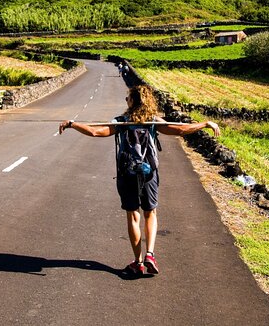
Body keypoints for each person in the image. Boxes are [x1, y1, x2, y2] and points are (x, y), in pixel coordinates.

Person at [59, 85, 220, 276]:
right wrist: (205, 124)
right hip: (149, 173)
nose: (126, 101)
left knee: (133, 215)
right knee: (150, 213)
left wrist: (72, 124)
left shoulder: (121, 122)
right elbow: (181, 130)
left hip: (127, 173)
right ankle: (150, 255)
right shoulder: (153, 121)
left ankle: (138, 261)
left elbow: (96, 132)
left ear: (133, 101)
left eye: (128, 98)